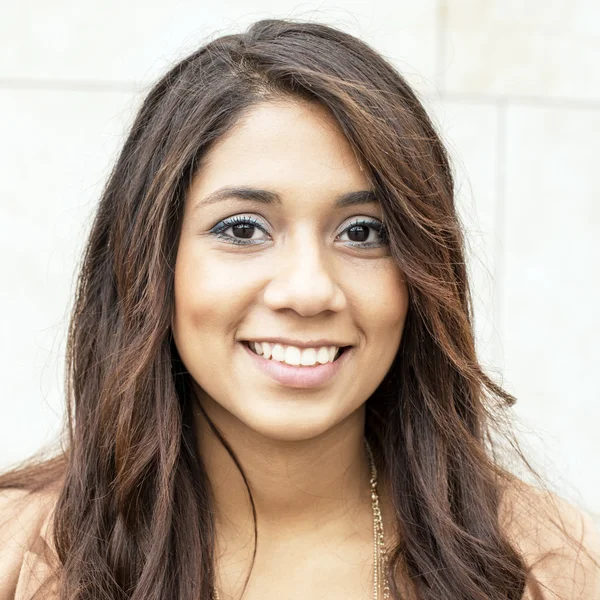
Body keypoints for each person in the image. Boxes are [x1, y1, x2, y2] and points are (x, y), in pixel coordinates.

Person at [1, 18, 598, 600]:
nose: (310, 291)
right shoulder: (17, 554)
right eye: (243, 228)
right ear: (150, 260)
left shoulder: (554, 567)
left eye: (363, 232)